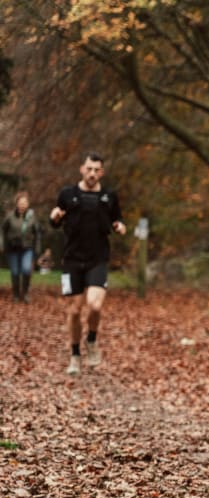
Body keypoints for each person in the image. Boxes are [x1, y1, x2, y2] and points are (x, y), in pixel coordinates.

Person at [49, 153, 126, 376]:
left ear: (101, 172)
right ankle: (75, 355)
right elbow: (54, 220)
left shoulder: (109, 197)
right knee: (74, 311)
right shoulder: (67, 194)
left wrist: (120, 226)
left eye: (96, 170)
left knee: (95, 305)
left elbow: (118, 219)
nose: (92, 173)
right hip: (72, 260)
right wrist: (54, 216)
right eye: (89, 169)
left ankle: (91, 340)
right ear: (82, 169)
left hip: (97, 259)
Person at [2, 191, 43, 303]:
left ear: (28, 204)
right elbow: (3, 230)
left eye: (25, 203)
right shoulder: (10, 216)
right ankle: (15, 294)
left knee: (26, 269)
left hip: (27, 248)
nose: (23, 205)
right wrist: (3, 244)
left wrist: (37, 248)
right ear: (17, 203)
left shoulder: (32, 217)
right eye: (20, 203)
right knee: (15, 272)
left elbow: (37, 233)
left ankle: (25, 293)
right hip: (12, 249)